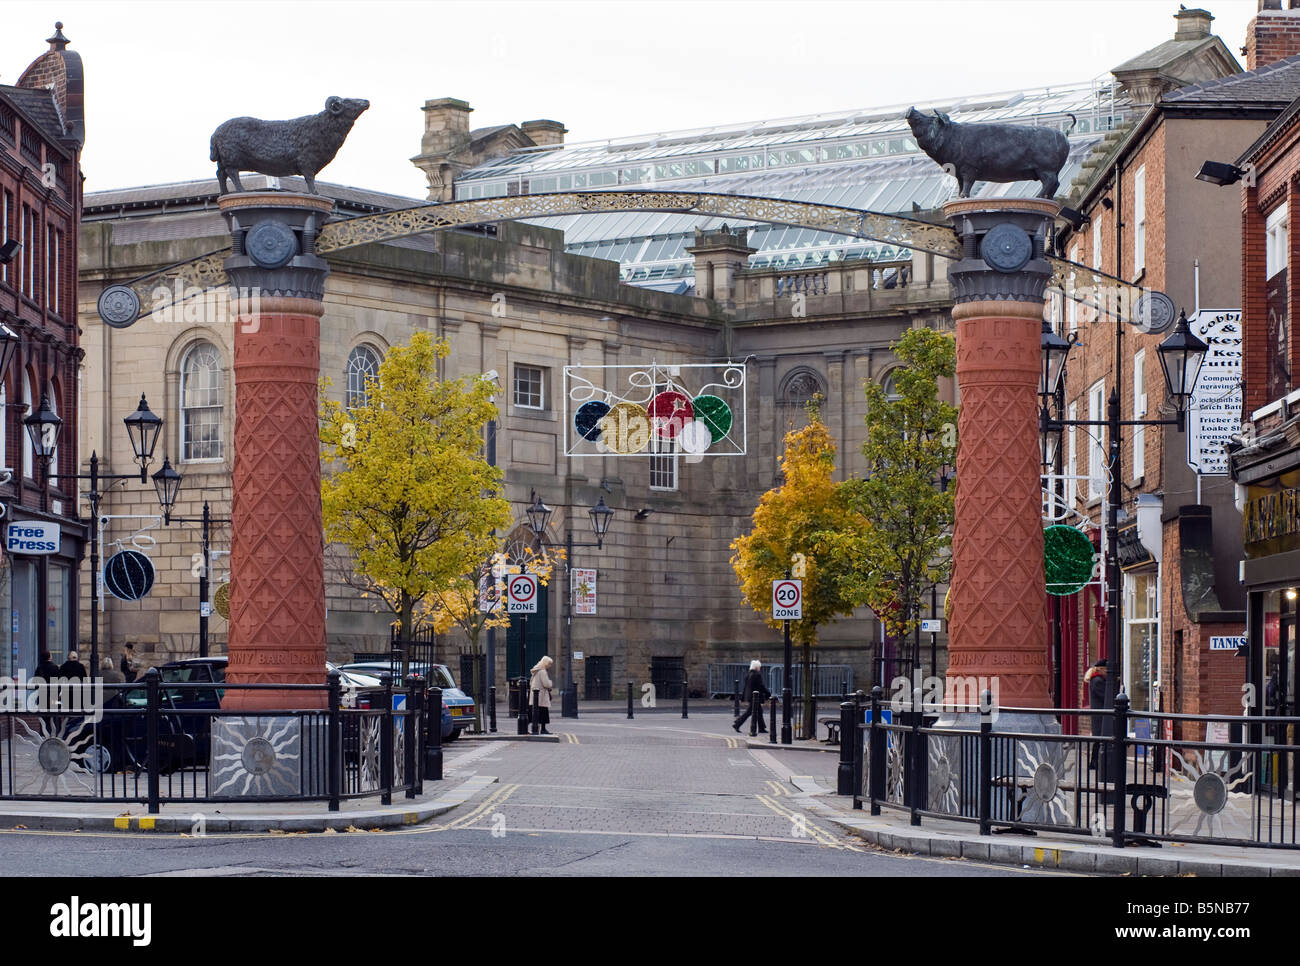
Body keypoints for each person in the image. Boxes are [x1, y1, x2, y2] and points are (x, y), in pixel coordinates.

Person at [733, 659, 771, 734]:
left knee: (759, 711)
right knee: (749, 712)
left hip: (750, 696)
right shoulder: (757, 675)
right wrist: (768, 693)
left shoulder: (749, 674)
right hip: (755, 697)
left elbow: (746, 687)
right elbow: (761, 686)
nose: (760, 668)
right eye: (759, 667)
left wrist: (743, 697)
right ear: (757, 667)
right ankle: (737, 724)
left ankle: (761, 728)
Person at [528, 656, 554, 734]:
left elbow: (530, 682)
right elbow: (546, 684)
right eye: (549, 664)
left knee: (533, 713)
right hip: (541, 696)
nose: (550, 666)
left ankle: (538, 729)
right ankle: (543, 729)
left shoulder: (536, 670)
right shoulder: (542, 671)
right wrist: (551, 682)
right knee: (543, 713)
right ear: (545, 663)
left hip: (535, 696)